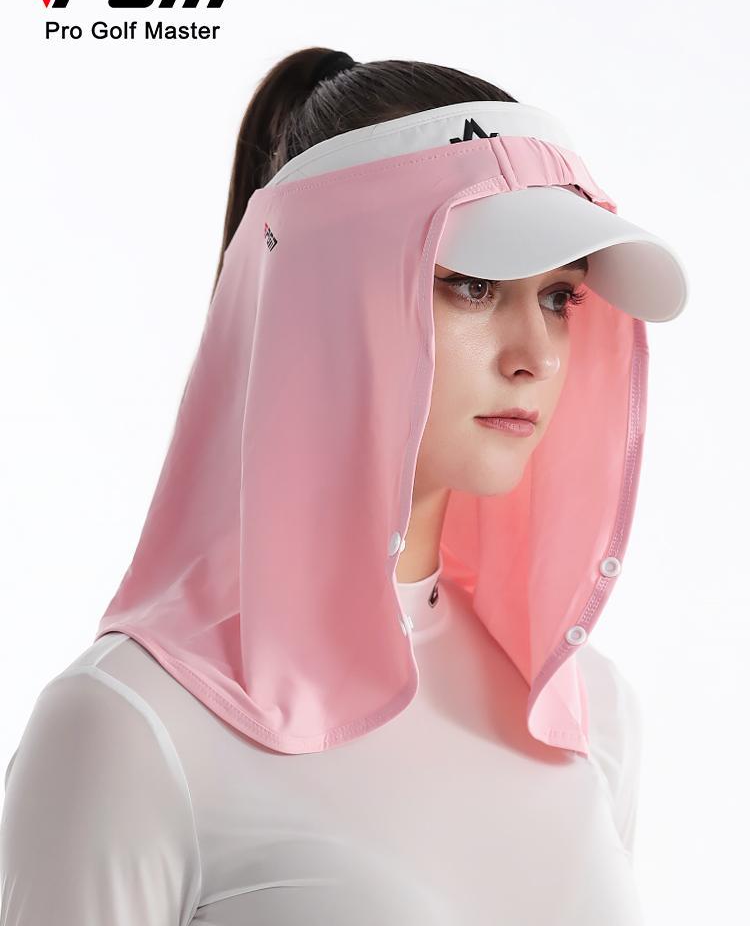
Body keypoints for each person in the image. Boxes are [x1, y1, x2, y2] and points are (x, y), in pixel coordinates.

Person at [0, 46, 688, 925]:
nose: (536, 357)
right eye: (473, 287)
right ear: (320, 301)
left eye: (559, 297)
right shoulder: (131, 729)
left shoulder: (584, 712)